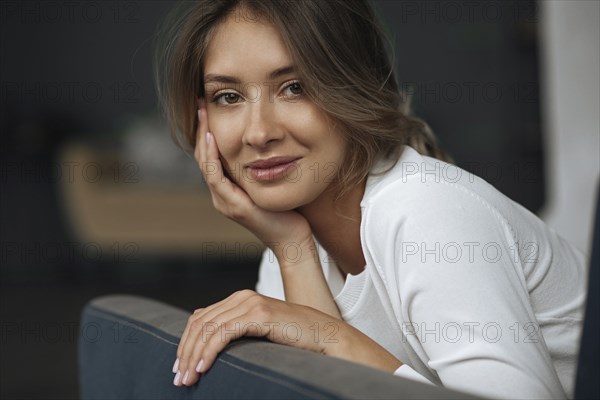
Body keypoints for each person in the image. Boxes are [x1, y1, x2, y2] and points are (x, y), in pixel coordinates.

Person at [155, 1, 587, 398]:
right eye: (228, 97)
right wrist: (291, 249)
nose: (257, 132)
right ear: (203, 119)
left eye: (295, 88)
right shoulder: (288, 241)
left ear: (354, 87)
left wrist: (330, 335)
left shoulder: (424, 211)